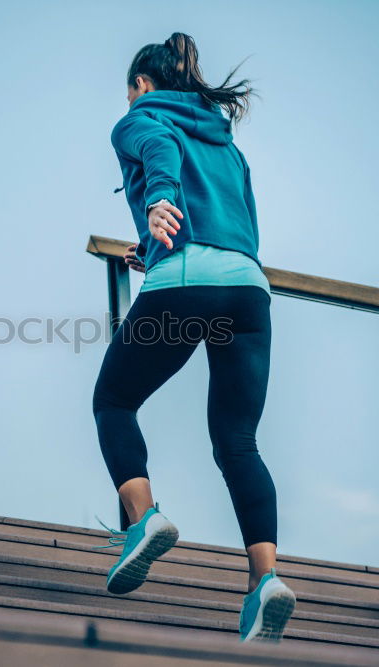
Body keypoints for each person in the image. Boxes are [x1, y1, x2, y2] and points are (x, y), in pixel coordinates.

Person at [91, 32, 296, 643]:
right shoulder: (228, 146)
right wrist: (151, 247)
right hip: (247, 289)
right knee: (238, 439)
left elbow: (156, 151)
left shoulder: (140, 118)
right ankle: (266, 581)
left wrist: (158, 204)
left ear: (142, 85)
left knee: (114, 402)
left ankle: (144, 518)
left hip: (185, 281)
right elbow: (235, 224)